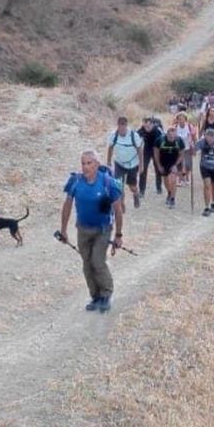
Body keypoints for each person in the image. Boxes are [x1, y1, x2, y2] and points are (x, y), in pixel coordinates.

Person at [57, 150, 126, 312]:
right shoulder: (75, 181)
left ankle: (106, 294)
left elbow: (118, 210)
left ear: (97, 164)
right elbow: (67, 206)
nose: (85, 166)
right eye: (83, 163)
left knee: (97, 261)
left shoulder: (108, 182)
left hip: (103, 229)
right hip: (83, 229)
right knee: (87, 264)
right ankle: (95, 297)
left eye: (89, 163)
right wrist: (63, 230)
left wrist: (118, 235)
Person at [106, 116, 144, 209]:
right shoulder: (113, 136)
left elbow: (140, 150)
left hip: (132, 164)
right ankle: (121, 204)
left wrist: (141, 165)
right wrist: (108, 161)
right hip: (119, 163)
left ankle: (136, 194)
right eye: (120, 125)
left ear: (127, 125)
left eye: (124, 125)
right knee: (118, 185)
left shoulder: (133, 136)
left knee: (132, 186)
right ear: (117, 125)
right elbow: (110, 148)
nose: (122, 127)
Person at [154, 124, 187, 208]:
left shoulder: (179, 141)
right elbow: (156, 154)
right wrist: (159, 165)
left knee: (172, 179)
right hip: (163, 163)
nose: (172, 137)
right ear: (167, 134)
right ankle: (169, 193)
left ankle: (172, 199)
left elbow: (182, 155)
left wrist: (177, 166)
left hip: (175, 163)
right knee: (166, 181)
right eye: (170, 134)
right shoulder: (159, 140)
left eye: (174, 134)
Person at [137, 116, 166, 197]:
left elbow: (164, 140)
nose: (147, 128)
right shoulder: (142, 129)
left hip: (156, 150)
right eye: (145, 126)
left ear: (153, 124)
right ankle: (142, 190)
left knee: (157, 168)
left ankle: (159, 187)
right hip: (146, 150)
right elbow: (135, 136)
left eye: (149, 126)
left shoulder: (158, 130)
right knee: (143, 169)